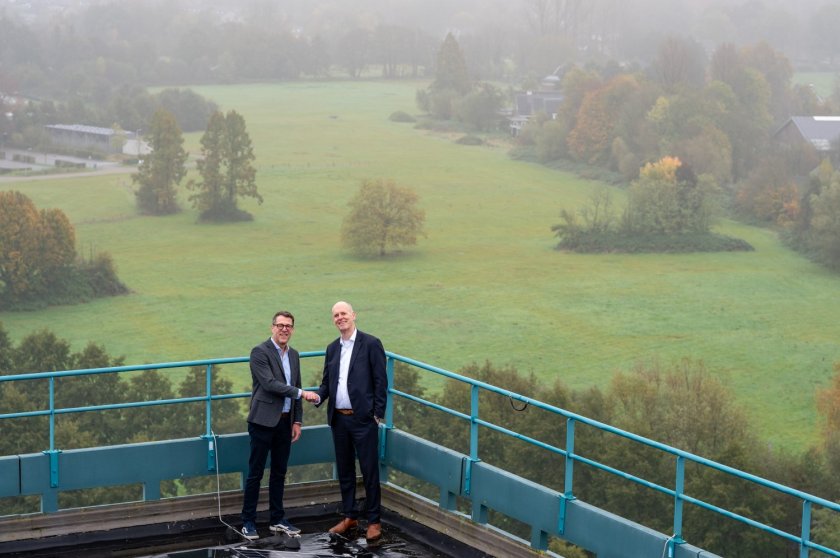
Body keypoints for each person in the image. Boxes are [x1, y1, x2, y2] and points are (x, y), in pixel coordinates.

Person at [240, 310, 319, 540]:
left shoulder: (294, 355)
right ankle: (248, 522)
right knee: (255, 473)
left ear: (292, 330)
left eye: (289, 326)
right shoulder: (259, 352)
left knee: (279, 472)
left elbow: (297, 384)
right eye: (280, 325)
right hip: (262, 422)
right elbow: (270, 384)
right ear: (272, 327)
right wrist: (301, 393)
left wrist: (297, 420)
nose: (284, 329)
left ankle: (277, 519)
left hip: (285, 423)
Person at [313, 301, 388, 542]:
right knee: (345, 470)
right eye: (336, 315)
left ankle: (374, 521)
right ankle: (350, 516)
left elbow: (380, 381)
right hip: (339, 419)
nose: (340, 318)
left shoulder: (371, 344)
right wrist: (317, 397)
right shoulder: (332, 348)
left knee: (369, 471)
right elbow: (327, 382)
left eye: (343, 313)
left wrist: (377, 415)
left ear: (354, 315)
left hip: (363, 420)